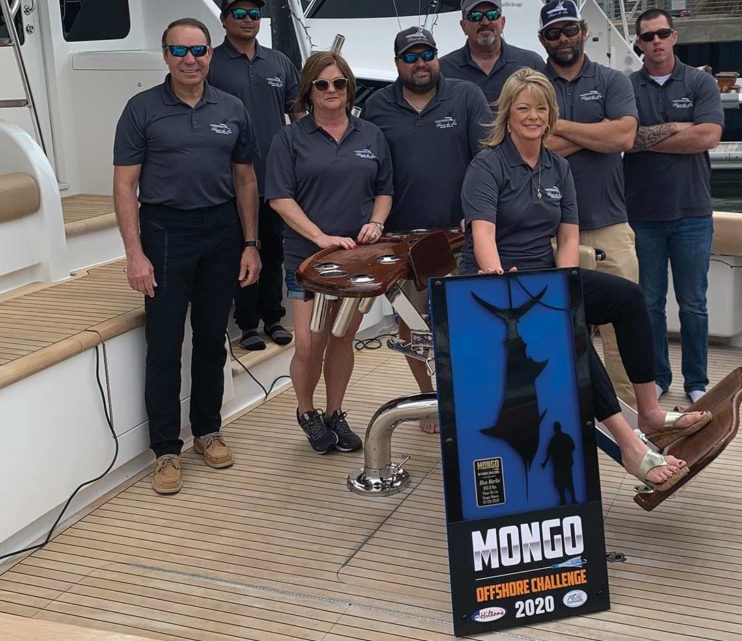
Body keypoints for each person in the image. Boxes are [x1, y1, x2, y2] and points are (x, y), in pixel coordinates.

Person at [459, 67, 710, 489]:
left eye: (541, 108)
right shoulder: (488, 165)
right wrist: (496, 276)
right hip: (494, 284)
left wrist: (565, 284)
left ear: (551, 114)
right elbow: (482, 232)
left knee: (629, 298)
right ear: (507, 114)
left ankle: (649, 410)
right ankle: (629, 445)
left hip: (543, 277)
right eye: (523, 108)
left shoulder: (557, 166)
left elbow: (568, 233)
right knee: (567, 330)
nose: (533, 116)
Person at [113, 18, 261, 495]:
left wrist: (251, 243)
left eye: (198, 50)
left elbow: (245, 180)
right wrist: (135, 254)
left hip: (221, 230)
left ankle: (207, 431)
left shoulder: (233, 108)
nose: (190, 60)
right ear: (165, 56)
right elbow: (124, 185)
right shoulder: (141, 109)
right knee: (163, 343)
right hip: (165, 230)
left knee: (212, 337)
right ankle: (165, 451)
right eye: (179, 51)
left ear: (210, 54)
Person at [363, 26, 490, 433]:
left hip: (459, 235)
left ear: (437, 56)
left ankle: (468, 396)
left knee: (468, 321)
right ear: (397, 63)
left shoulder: (467, 95)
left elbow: (485, 159)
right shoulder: (377, 106)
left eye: (428, 53)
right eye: (411, 56)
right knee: (411, 323)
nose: (421, 63)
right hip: (403, 239)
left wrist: (478, 211)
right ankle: (429, 398)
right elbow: (370, 171)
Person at [266, 52, 393, 455]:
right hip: (307, 261)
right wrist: (319, 236)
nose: (331, 91)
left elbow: (385, 191)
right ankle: (307, 412)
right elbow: (279, 198)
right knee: (307, 344)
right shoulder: (289, 138)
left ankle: (336, 412)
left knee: (342, 339)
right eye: (322, 84)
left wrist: (377, 222)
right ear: (309, 90)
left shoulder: (371, 135)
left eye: (339, 83)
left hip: (356, 259)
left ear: (349, 87)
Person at [538, 0, 640, 408]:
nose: (562, 39)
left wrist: (557, 125)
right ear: (542, 39)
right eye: (553, 33)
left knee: (623, 324)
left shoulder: (614, 79)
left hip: (610, 222)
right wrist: (596, 130)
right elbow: (533, 146)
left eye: (568, 30)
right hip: (549, 228)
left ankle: (628, 409)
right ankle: (568, 402)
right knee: (557, 324)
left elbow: (623, 138)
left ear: (583, 31)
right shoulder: (533, 84)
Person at [625, 9, 724, 403]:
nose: (656, 42)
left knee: (693, 304)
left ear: (674, 35)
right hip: (642, 214)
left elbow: (709, 137)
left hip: (693, 213)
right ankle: (658, 376)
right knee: (648, 303)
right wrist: (682, 127)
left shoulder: (701, 82)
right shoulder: (626, 86)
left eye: (662, 33)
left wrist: (647, 138)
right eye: (648, 37)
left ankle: (696, 381)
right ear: (639, 43)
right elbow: (624, 140)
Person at [207, 0, 302, 353]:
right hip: (229, 180)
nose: (248, 19)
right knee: (241, 252)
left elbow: (297, 116)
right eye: (239, 13)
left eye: (253, 13)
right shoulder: (210, 62)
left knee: (275, 250)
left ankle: (273, 317)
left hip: (274, 178)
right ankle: (246, 324)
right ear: (224, 19)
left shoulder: (279, 63)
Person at [439, 0, 545, 105]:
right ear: (463, 26)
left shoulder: (531, 63)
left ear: (502, 22)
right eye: (475, 16)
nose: (485, 22)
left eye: (492, 14)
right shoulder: (443, 70)